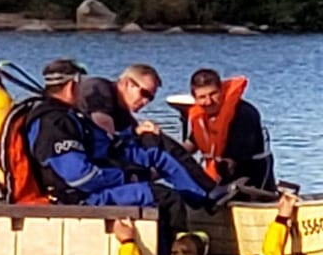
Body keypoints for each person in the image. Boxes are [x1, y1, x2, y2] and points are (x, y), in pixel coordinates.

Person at [23, 58, 220, 255]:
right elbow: (80, 177)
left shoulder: (70, 116)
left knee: (155, 147)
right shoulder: (53, 123)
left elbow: (103, 147)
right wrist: (128, 176)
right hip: (79, 196)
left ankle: (207, 197)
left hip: (97, 180)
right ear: (73, 85)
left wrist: (136, 147)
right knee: (165, 198)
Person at [78, 63, 220, 195]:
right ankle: (205, 192)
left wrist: (140, 133)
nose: (146, 101)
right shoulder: (99, 89)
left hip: (100, 159)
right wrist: (136, 134)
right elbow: (104, 134)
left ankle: (203, 191)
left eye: (150, 98)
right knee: (156, 145)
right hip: (86, 164)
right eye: (144, 94)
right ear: (127, 84)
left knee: (156, 141)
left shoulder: (123, 114)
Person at [182, 68, 276, 193]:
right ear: (195, 98)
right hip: (219, 177)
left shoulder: (244, 114)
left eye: (213, 94)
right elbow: (192, 144)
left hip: (251, 178)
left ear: (221, 90)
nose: (208, 101)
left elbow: (234, 161)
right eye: (202, 97)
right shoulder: (201, 117)